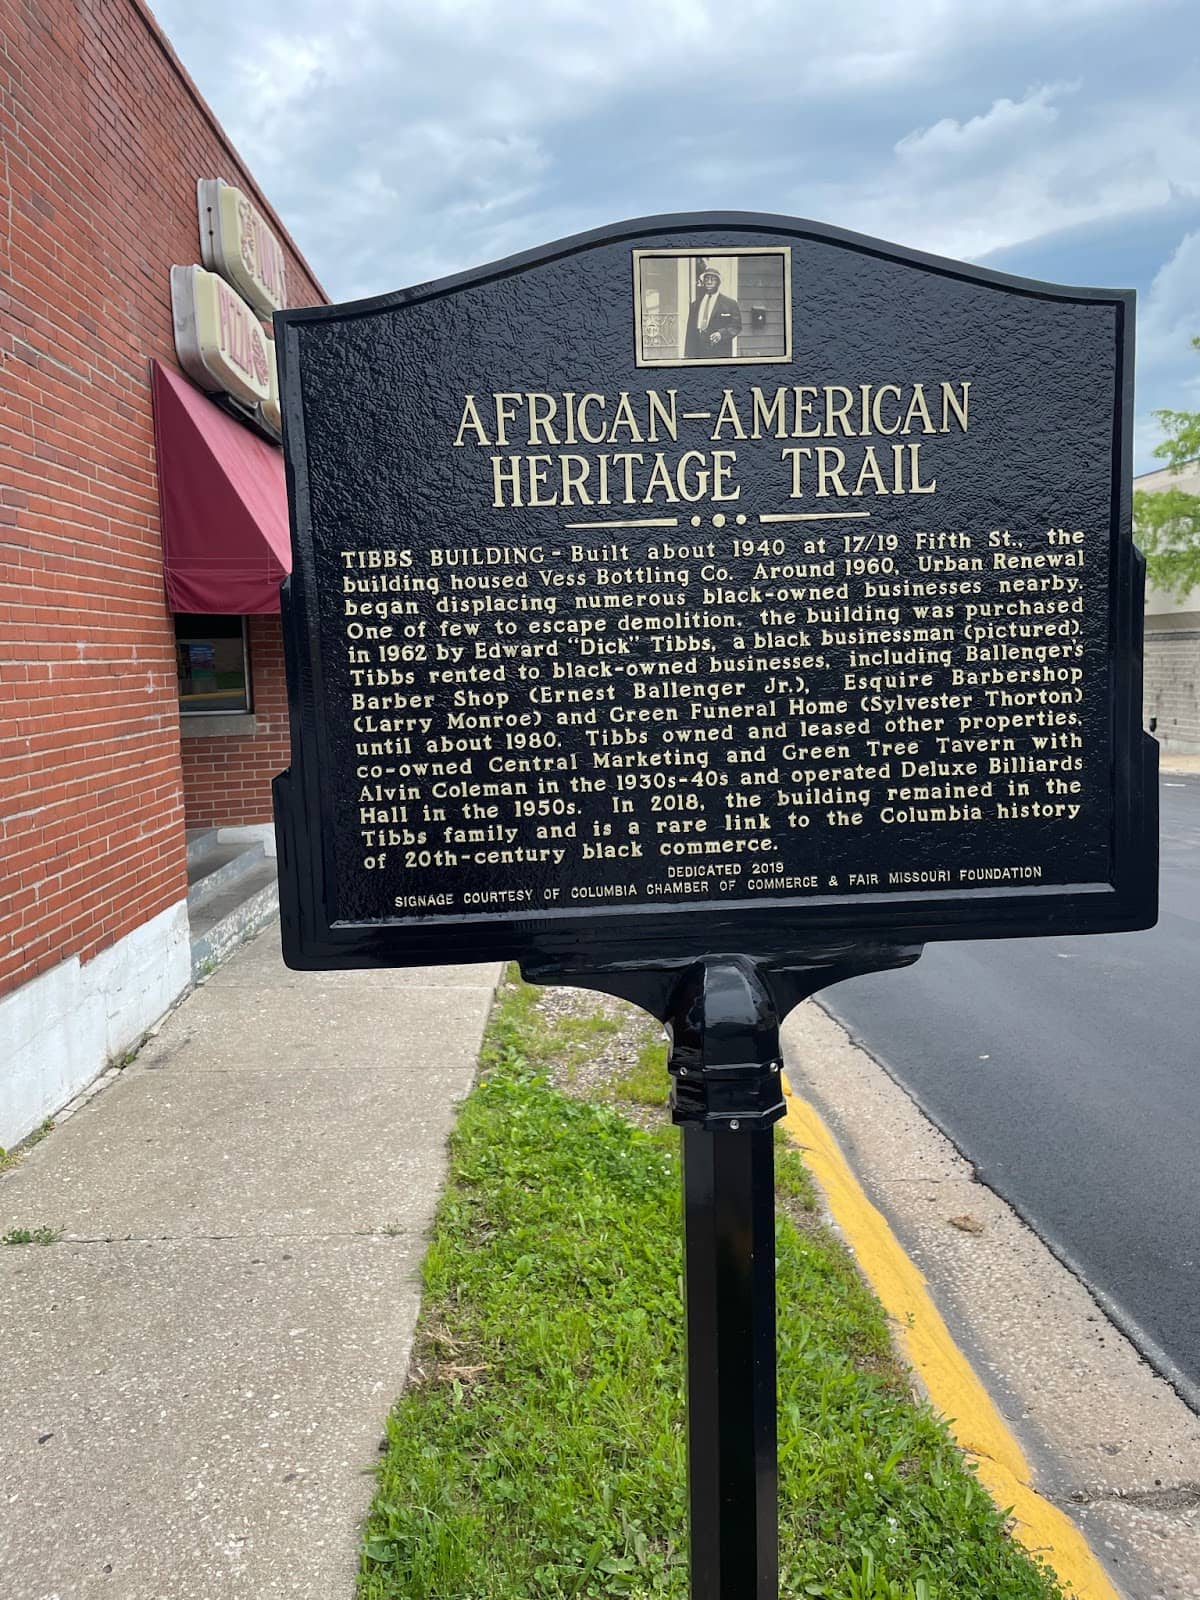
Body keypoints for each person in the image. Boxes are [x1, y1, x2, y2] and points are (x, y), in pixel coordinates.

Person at [683, 266, 742, 359]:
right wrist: (688, 354)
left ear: (718, 282)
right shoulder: (695, 304)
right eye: (707, 279)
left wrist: (721, 334)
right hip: (698, 350)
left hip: (719, 350)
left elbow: (736, 326)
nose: (709, 282)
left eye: (713, 279)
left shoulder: (729, 303)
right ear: (703, 282)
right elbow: (690, 331)